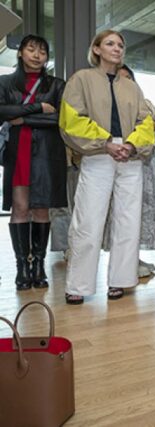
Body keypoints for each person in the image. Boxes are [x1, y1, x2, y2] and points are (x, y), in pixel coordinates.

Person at [59, 30, 155, 304]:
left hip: (130, 156)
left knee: (128, 221)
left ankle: (121, 280)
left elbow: (146, 122)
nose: (117, 48)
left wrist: (132, 145)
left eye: (121, 45)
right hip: (98, 155)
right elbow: (71, 120)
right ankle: (77, 285)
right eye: (110, 43)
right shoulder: (81, 79)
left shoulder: (132, 87)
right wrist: (105, 143)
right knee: (88, 220)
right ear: (97, 49)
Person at [0, 34, 66, 290]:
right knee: (20, 207)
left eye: (42, 51)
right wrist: (38, 107)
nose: (37, 55)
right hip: (18, 151)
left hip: (48, 153)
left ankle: (38, 266)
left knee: (41, 208)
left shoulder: (57, 85)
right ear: (20, 53)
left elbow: (60, 119)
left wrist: (23, 118)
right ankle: (22, 267)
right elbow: (1, 112)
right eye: (31, 49)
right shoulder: (5, 82)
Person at [102, 64, 155, 278]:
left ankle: (134, 259)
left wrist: (151, 131)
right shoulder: (104, 105)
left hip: (144, 164)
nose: (124, 83)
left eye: (128, 78)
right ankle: (119, 264)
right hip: (112, 162)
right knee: (117, 214)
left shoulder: (144, 104)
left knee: (138, 214)